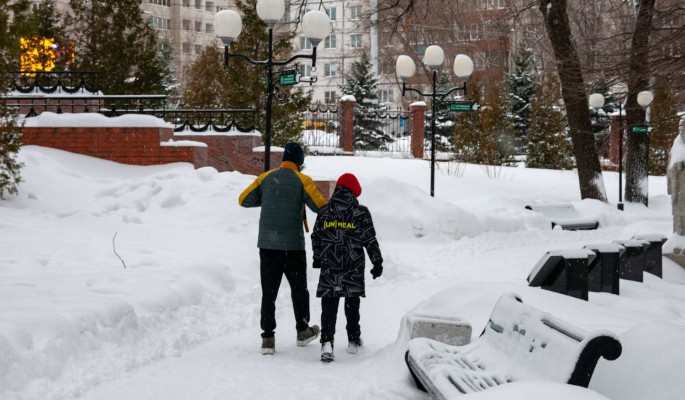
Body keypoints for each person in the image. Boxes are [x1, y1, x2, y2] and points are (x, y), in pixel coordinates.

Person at [239, 142, 328, 355]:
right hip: (293, 246)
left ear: (283, 159)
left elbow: (244, 199)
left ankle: (268, 338)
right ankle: (302, 330)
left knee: (268, 292)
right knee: (299, 290)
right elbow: (321, 207)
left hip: (268, 246)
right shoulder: (303, 180)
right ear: (300, 162)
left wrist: (268, 199)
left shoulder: (266, 177)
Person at [311, 173, 383, 362]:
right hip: (353, 266)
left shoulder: (324, 211)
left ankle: (327, 342)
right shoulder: (361, 212)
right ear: (353, 191)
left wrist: (318, 258)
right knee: (352, 303)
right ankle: (353, 339)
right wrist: (377, 262)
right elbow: (370, 239)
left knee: (329, 305)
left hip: (330, 266)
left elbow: (316, 237)